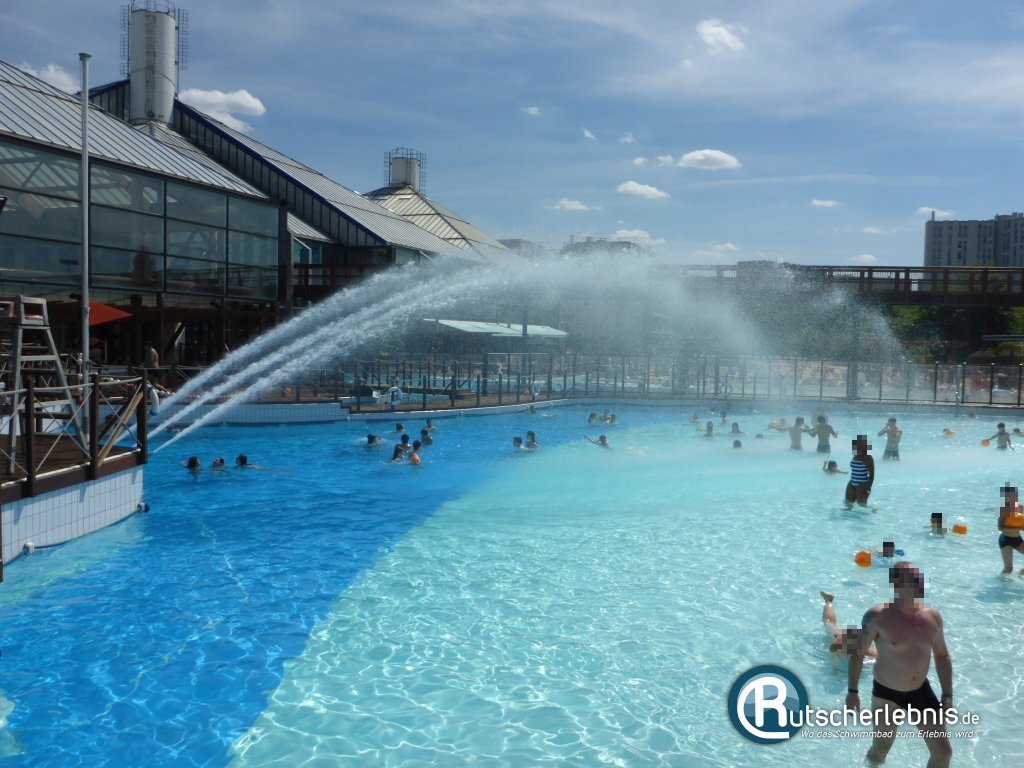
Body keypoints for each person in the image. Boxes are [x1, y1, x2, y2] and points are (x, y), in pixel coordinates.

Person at [847, 562, 953, 767]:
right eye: (913, 580)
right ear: (896, 584)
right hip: (887, 695)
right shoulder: (876, 616)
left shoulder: (932, 617)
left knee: (943, 753)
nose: (920, 583)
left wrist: (947, 694)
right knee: (881, 748)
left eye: (920, 578)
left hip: (920, 692)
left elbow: (942, 656)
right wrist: (852, 692)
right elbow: (858, 655)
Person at [820, 591, 876, 669]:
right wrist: (836, 667)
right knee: (828, 623)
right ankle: (828, 601)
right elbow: (833, 653)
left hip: (860, 639)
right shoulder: (837, 644)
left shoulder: (872, 655)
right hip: (848, 637)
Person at [997, 483, 1024, 574]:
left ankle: (1022, 572)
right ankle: (1000, 581)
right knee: (1009, 569)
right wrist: (1019, 528)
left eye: (1014, 496)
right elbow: (1000, 527)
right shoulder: (1003, 509)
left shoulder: (1021, 508)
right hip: (1005, 540)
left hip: (1017, 539)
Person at [845, 435, 875, 508]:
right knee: (848, 505)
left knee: (862, 507)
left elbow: (871, 475)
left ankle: (873, 510)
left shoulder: (868, 457)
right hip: (852, 483)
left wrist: (868, 490)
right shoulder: (855, 455)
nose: (855, 447)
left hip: (862, 484)